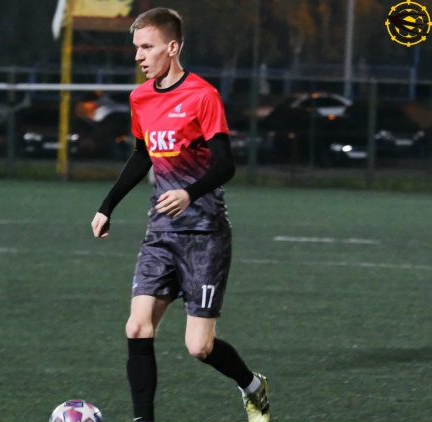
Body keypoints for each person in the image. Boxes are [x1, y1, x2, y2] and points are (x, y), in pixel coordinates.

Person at [91, 7, 270, 422]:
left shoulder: (203, 96)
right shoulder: (140, 97)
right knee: (137, 327)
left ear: (172, 48)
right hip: (161, 232)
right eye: (136, 47)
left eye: (147, 46)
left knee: (199, 347)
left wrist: (189, 194)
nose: (139, 55)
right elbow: (142, 156)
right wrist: (107, 206)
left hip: (204, 235)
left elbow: (225, 165)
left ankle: (252, 386)